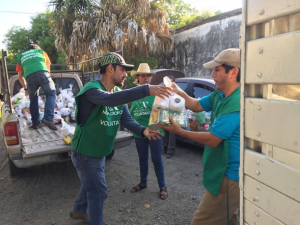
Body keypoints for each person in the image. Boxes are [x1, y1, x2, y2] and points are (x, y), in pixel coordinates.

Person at [69, 53, 171, 225]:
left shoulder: (117, 92)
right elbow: (109, 100)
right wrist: (146, 89)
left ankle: (79, 210)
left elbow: (127, 119)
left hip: (100, 150)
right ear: (110, 69)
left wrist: (143, 130)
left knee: (91, 183)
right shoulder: (91, 90)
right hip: (85, 152)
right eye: (122, 70)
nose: (125, 74)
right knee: (99, 192)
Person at [158, 48, 241, 225]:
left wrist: (180, 131)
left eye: (217, 70)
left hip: (228, 177)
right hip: (220, 172)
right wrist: (177, 90)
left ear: (233, 72)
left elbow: (213, 138)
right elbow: (195, 105)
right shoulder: (220, 95)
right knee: (227, 219)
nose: (212, 74)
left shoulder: (236, 102)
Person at [130, 63, 168, 200]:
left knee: (157, 158)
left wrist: (162, 126)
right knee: (142, 158)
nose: (145, 78)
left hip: (154, 129)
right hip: (139, 131)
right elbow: (129, 111)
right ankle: (143, 182)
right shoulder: (132, 93)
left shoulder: (156, 92)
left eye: (148, 75)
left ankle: (162, 186)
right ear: (138, 77)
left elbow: (164, 110)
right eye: (142, 75)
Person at [16, 44, 57, 130]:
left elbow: (20, 76)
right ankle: (48, 118)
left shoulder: (21, 57)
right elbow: (47, 69)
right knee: (51, 93)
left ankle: (36, 123)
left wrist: (26, 88)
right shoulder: (41, 52)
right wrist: (43, 82)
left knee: (33, 99)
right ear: (37, 49)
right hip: (43, 73)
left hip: (29, 77)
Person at [162, 75, 176, 158]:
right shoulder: (164, 90)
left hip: (173, 113)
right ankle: (165, 147)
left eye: (170, 81)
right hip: (165, 112)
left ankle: (171, 150)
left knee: (172, 132)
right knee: (165, 130)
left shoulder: (176, 91)